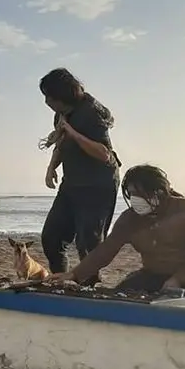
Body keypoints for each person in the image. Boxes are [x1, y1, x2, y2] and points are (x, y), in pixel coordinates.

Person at [46, 165, 185, 297]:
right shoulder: (129, 219)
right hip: (152, 274)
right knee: (119, 296)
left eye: (139, 193)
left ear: (158, 192)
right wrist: (74, 274)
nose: (135, 199)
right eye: (131, 193)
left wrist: (178, 278)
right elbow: (105, 251)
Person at [38, 68, 121, 285]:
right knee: (52, 237)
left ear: (63, 95)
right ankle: (61, 280)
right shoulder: (61, 114)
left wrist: (73, 133)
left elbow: (104, 154)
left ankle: (89, 286)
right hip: (72, 181)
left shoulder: (92, 112)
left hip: (98, 183)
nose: (47, 102)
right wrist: (51, 167)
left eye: (50, 96)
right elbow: (61, 142)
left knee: (88, 243)